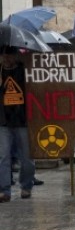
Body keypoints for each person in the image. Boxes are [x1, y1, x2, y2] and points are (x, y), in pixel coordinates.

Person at [0, 47, 35, 203]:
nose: (6, 59)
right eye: (3, 56)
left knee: (27, 158)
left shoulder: (25, 72)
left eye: (9, 56)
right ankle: (4, 190)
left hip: (23, 121)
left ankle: (26, 186)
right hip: (3, 122)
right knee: (3, 157)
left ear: (15, 57)